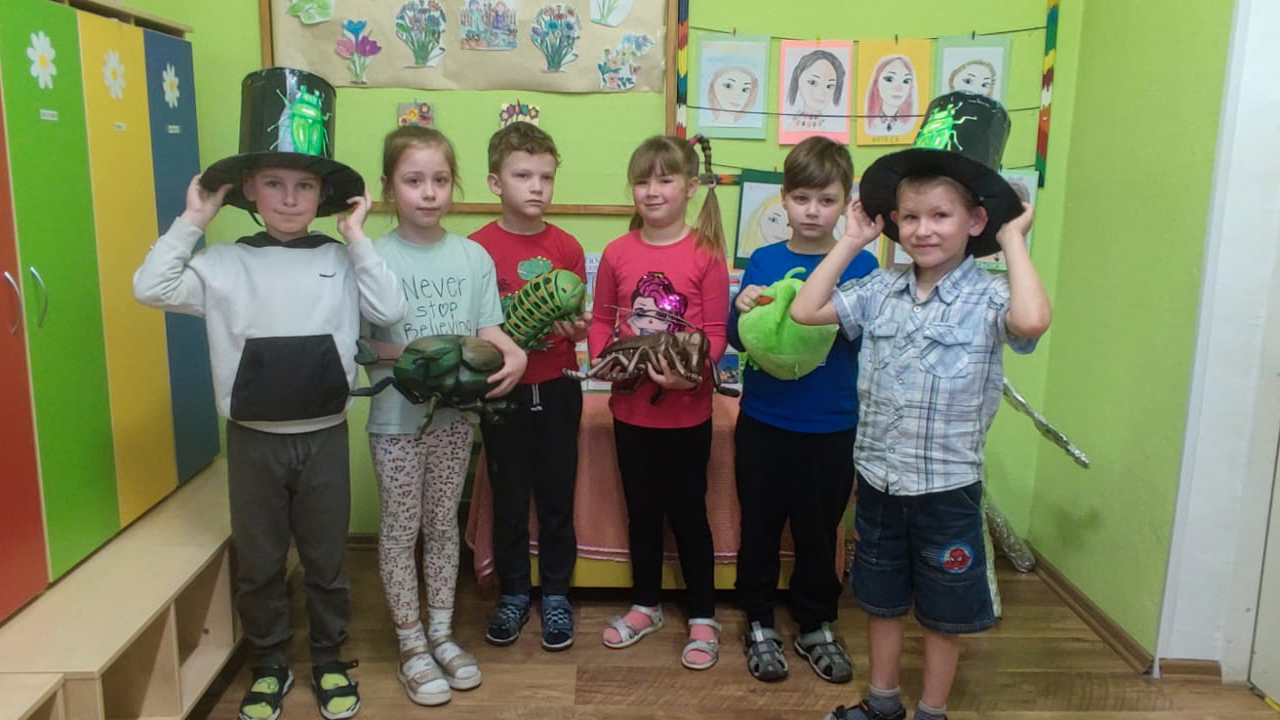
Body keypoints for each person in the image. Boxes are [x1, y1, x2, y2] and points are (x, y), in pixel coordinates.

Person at [132, 68, 406, 720]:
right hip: (254, 444)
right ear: (249, 189)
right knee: (258, 564)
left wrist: (357, 237)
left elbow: (390, 310)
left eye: (305, 185)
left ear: (323, 195)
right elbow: (150, 287)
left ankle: (331, 660)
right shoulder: (224, 264)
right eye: (275, 184)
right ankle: (270, 665)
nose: (290, 198)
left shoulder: (340, 260)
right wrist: (193, 220)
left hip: (323, 439)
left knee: (325, 562)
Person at [791, 92, 1051, 720]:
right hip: (879, 484)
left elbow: (1032, 321)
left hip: (946, 491)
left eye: (940, 215)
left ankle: (932, 711)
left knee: (942, 612)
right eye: (909, 217)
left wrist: (1014, 238)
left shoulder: (990, 297)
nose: (923, 230)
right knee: (879, 602)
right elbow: (805, 309)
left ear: (975, 221)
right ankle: (883, 704)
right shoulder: (880, 289)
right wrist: (852, 240)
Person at [362, 125, 527, 706]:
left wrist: (514, 353)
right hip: (396, 424)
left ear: (453, 185)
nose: (428, 192)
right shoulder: (372, 257)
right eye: (413, 181)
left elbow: (488, 329)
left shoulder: (472, 256)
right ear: (390, 187)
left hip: (456, 421)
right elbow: (358, 342)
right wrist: (420, 354)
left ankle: (440, 633)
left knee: (441, 526)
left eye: (439, 180)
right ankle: (410, 643)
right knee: (400, 529)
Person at [728, 137, 878, 684]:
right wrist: (741, 306)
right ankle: (758, 619)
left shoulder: (862, 265)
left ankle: (815, 622)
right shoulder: (764, 261)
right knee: (760, 527)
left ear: (845, 204)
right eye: (802, 198)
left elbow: (865, 341)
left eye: (827, 200)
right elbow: (738, 340)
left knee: (818, 533)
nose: (813, 211)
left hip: (831, 425)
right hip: (764, 420)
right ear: (784, 199)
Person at [589, 135, 730, 670]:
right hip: (630, 415)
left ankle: (703, 615)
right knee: (642, 515)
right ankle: (645, 605)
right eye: (642, 181)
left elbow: (715, 334)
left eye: (665, 180)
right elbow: (602, 321)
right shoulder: (617, 253)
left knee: (690, 517)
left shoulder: (706, 254)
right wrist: (604, 359)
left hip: (688, 415)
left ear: (690, 187)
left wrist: (685, 376)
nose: (652, 191)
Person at [470, 122, 588, 652]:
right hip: (501, 391)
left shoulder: (567, 246)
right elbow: (472, 327)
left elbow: (579, 322)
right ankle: (514, 592)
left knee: (558, 497)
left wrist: (577, 330)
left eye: (546, 176)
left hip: (559, 386)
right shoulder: (475, 249)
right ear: (495, 183)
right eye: (522, 175)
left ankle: (557, 594)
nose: (537, 186)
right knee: (510, 499)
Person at [787, 50, 846, 131]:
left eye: (829, 86)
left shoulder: (834, 127)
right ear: (798, 78)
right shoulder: (791, 126)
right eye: (813, 82)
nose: (820, 93)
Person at [865, 55, 917, 136]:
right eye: (889, 79)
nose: (899, 89)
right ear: (876, 82)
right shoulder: (871, 122)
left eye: (906, 81)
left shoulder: (908, 124)